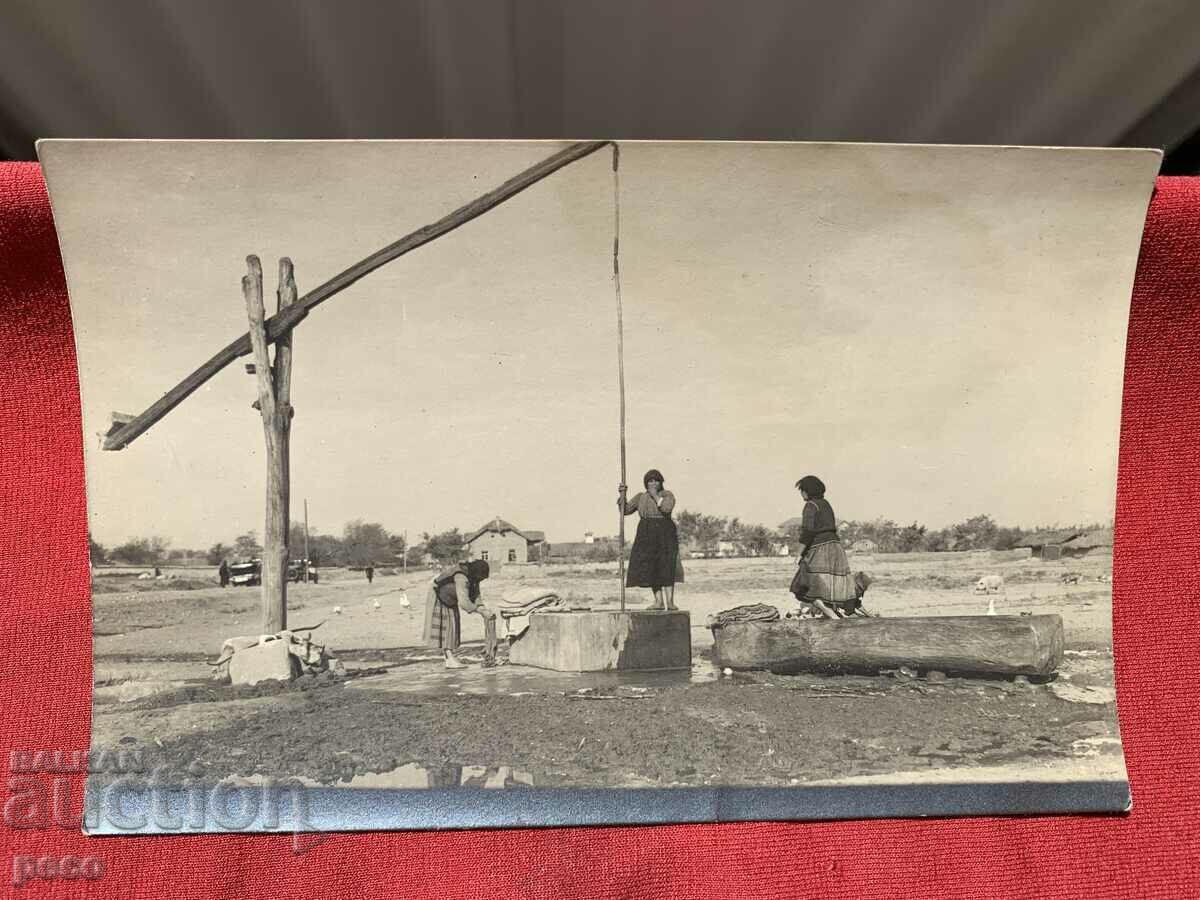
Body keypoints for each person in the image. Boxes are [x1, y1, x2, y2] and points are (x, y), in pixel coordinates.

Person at [789, 475, 855, 620]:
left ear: (807, 491)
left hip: (820, 549)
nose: (801, 494)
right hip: (836, 548)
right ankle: (834, 615)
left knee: (803, 586)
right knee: (828, 588)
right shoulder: (825, 504)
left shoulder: (810, 506)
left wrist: (798, 554)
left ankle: (833, 617)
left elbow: (808, 531)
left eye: (802, 490)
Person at [619, 468, 684, 610]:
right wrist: (622, 495)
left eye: (656, 480)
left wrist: (655, 496)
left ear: (661, 482)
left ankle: (670, 602)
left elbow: (666, 509)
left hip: (664, 532)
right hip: (646, 533)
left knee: (666, 566)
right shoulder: (641, 497)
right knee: (652, 568)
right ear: (646, 483)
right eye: (650, 481)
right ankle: (658, 602)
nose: (653, 483)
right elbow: (625, 510)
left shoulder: (667, 495)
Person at [423, 559, 498, 668]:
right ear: (476, 573)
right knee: (446, 627)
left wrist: (483, 608)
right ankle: (449, 659)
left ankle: (449, 658)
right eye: (480, 578)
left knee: (453, 625)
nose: (480, 580)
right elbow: (464, 602)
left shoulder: (473, 577)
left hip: (450, 597)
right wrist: (481, 611)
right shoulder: (461, 577)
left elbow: (476, 595)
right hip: (439, 595)